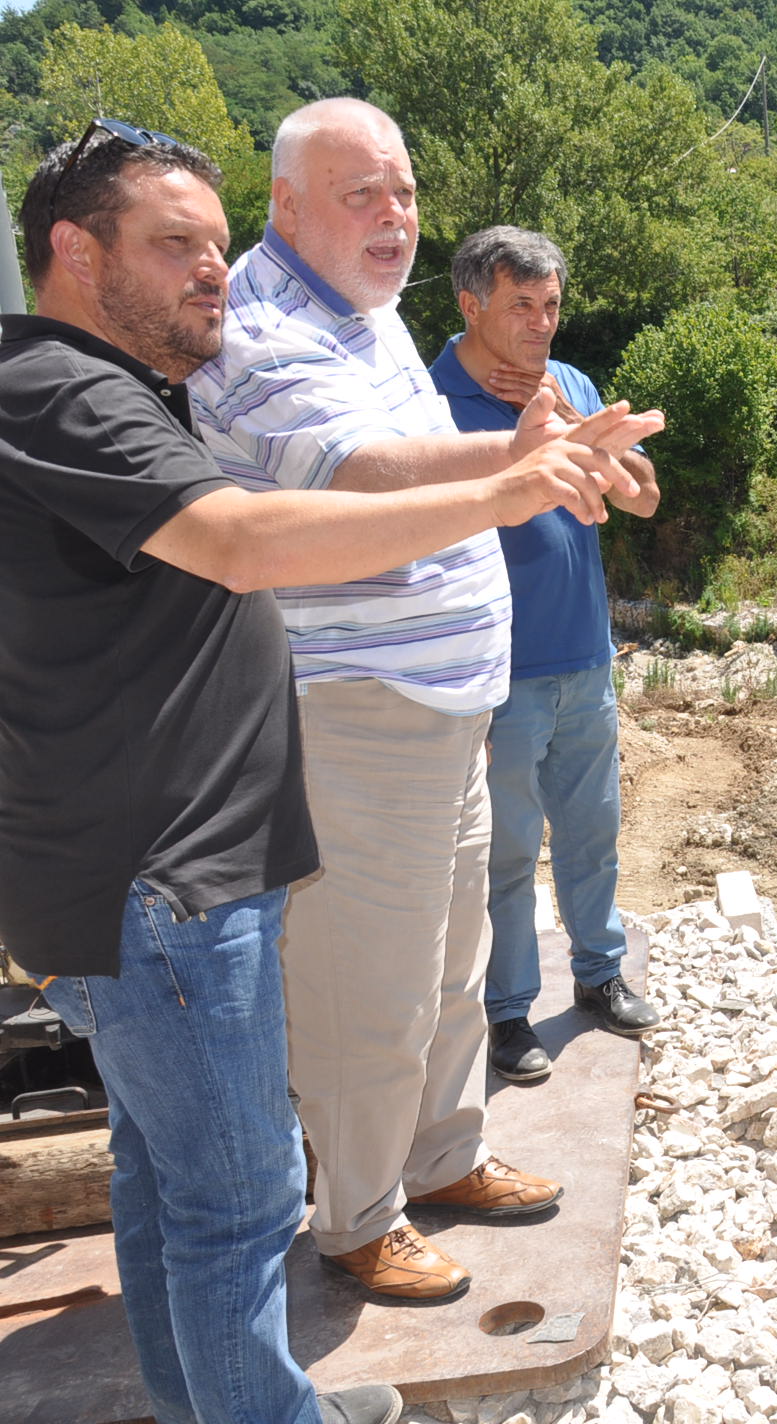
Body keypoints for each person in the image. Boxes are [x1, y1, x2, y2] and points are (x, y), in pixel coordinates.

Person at [1, 122, 620, 1424]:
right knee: (239, 1195)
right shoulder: (61, 391)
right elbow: (251, 533)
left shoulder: (137, 381)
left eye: (215, 246)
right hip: (162, 868)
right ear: (73, 250)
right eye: (174, 245)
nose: (209, 274)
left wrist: (501, 462)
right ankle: (283, 1374)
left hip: (178, 845)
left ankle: (224, 1394)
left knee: (175, 1185)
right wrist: (499, 491)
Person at [186, 97, 662, 1301]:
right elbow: (355, 469)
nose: (393, 215)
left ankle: (443, 1153)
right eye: (362, 194)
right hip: (357, 710)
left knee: (451, 961)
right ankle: (355, 1215)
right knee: (366, 986)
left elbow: (414, 442)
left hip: (444, 699)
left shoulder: (365, 309)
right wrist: (513, 465)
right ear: (286, 205)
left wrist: (528, 450)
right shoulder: (259, 331)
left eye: (403, 191)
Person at [429, 226, 663, 1083]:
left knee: (591, 830)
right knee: (504, 851)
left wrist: (569, 421)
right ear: (470, 303)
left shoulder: (570, 383)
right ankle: (507, 1012)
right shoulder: (432, 398)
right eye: (521, 305)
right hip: (497, 672)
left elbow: (641, 496)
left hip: (584, 656)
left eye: (552, 305)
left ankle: (600, 976)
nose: (541, 324)